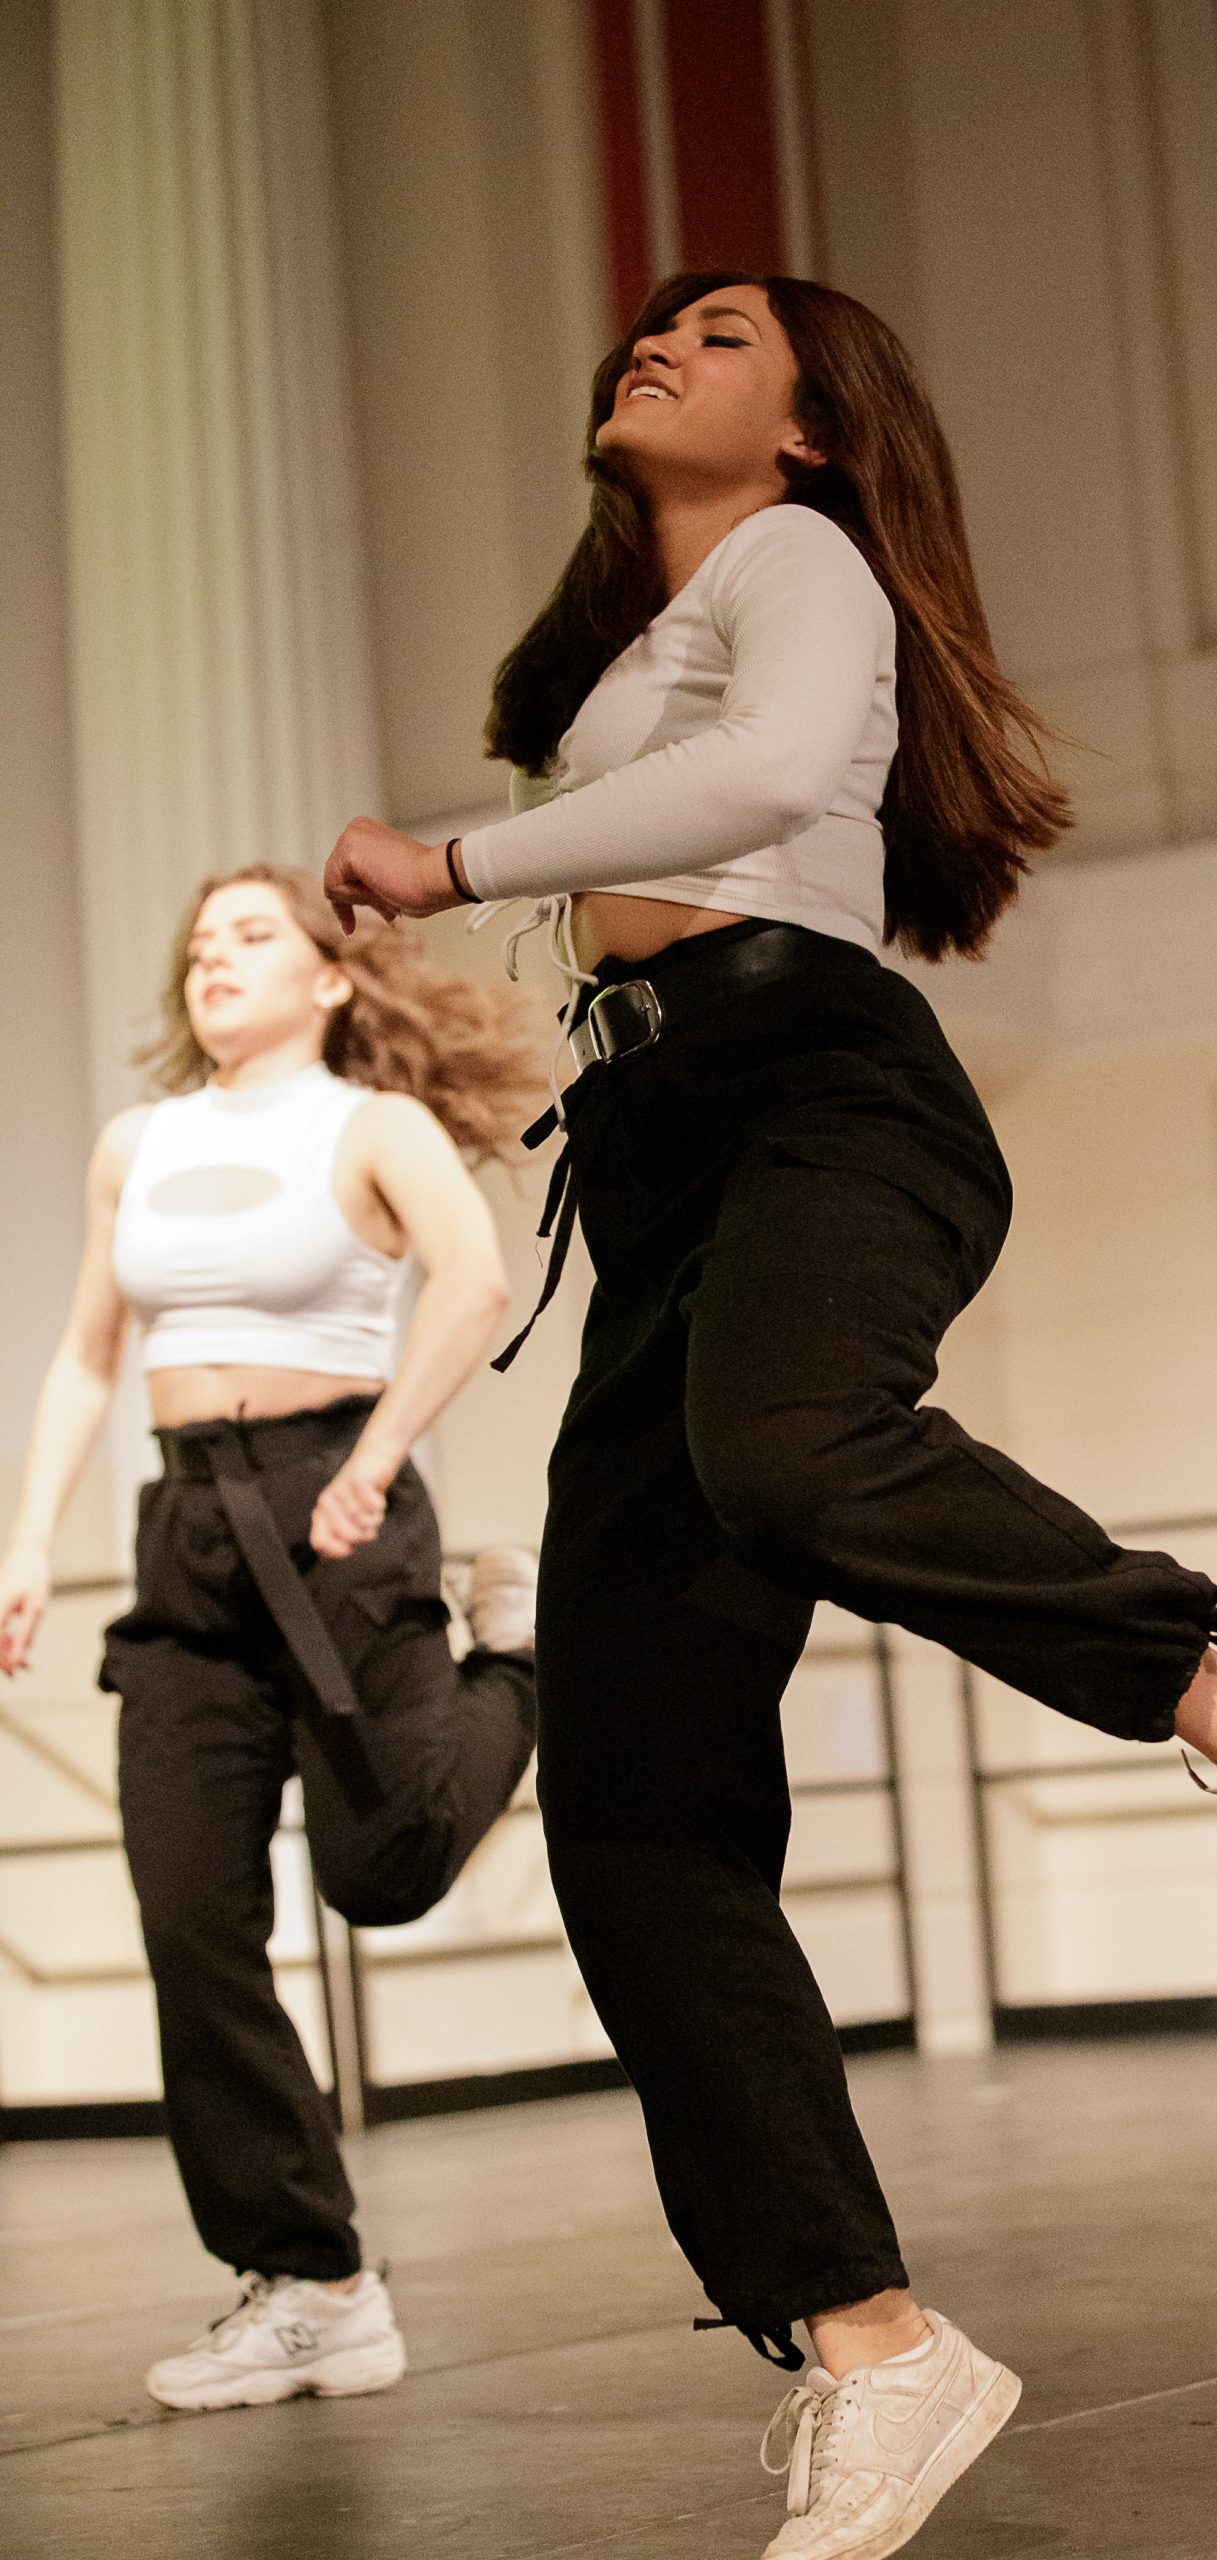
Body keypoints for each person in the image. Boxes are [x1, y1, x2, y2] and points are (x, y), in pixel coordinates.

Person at [323, 271, 1217, 2558]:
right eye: (653, 327)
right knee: (632, 1803)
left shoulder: (801, 554)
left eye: (723, 333)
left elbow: (760, 785)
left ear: (816, 426)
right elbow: (653, 816)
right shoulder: (632, 648)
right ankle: (874, 2345)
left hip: (823, 1092)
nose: (661, 342)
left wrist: (443, 860)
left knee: (792, 1444)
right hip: (654, 1153)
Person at [0, 865, 544, 2414]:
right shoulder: (139, 1143)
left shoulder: (371, 1127)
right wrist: (29, 1541)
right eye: (199, 944)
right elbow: (89, 1354)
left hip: (338, 1508)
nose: (214, 959)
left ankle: (518, 1663)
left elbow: (475, 1282)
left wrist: (380, 1454)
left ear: (328, 976)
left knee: (384, 1874)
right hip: (187, 1530)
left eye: (251, 935)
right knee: (190, 1915)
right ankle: (314, 2283)